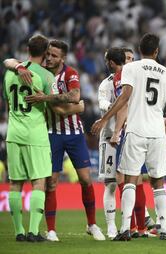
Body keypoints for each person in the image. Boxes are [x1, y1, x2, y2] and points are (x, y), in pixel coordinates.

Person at [91, 33, 166, 241]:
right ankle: (164, 229)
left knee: (130, 180)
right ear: (157, 51)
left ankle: (125, 229)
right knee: (158, 182)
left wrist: (104, 119)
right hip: (157, 133)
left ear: (139, 50)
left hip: (135, 131)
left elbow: (124, 98)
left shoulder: (130, 68)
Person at [3, 35, 84, 242]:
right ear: (45, 51)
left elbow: (7, 103)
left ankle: (19, 232)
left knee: (15, 184)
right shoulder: (45, 76)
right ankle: (32, 232)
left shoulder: (10, 73)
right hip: (36, 134)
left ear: (28, 48)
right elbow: (57, 106)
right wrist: (78, 107)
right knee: (39, 182)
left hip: (13, 133)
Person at [23, 40, 105, 241]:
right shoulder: (41, 74)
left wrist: (48, 98)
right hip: (51, 134)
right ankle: (51, 230)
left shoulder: (70, 73)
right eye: (48, 54)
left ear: (63, 58)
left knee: (86, 180)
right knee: (51, 182)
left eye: (54, 55)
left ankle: (92, 224)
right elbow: (59, 109)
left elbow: (76, 95)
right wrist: (76, 108)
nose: (49, 58)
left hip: (75, 134)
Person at [98, 47, 155, 239]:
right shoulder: (111, 83)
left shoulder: (128, 79)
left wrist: (117, 130)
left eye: (132, 58)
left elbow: (127, 104)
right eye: (127, 58)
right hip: (125, 134)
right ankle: (127, 227)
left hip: (129, 133)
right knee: (124, 182)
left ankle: (134, 227)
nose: (130, 62)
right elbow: (109, 104)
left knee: (129, 180)